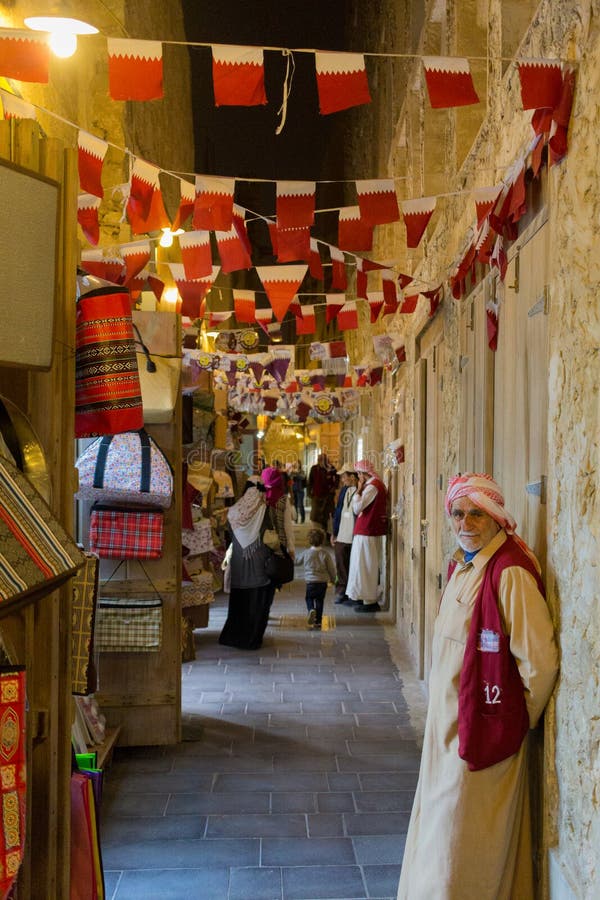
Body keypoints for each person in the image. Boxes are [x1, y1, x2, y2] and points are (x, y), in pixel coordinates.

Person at [397, 473, 559, 900]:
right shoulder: (462, 565)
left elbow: (539, 663)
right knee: (440, 828)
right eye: (457, 513)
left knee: (466, 840)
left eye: (476, 514)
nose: (465, 523)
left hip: (484, 733)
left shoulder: (509, 573)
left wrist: (508, 722)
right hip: (446, 731)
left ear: (497, 518)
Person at [218, 479, 275, 650]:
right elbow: (269, 531)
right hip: (258, 559)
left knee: (239, 600)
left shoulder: (234, 510)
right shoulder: (263, 509)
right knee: (256, 599)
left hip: (238, 560)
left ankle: (234, 634)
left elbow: (228, 529)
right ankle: (252, 637)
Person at [345, 459, 388, 612]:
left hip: (368, 531)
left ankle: (370, 600)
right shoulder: (372, 485)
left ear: (363, 474)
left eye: (358, 474)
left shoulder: (373, 487)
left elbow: (357, 508)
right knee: (360, 565)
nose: (357, 477)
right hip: (364, 531)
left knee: (366, 566)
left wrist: (357, 491)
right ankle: (361, 597)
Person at [295, 528, 336, 629]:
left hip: (310, 582)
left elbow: (297, 562)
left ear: (309, 540)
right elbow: (331, 568)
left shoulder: (306, 553)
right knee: (320, 600)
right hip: (322, 583)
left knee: (309, 598)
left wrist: (290, 556)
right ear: (322, 540)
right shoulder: (325, 554)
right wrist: (333, 579)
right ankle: (318, 621)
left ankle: (311, 610)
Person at [331, 469, 358, 604]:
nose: (342, 480)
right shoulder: (344, 491)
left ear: (352, 476)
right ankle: (342, 591)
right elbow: (339, 510)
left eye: (344, 477)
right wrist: (334, 532)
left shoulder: (360, 489)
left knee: (353, 564)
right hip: (342, 533)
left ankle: (351, 592)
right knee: (341, 562)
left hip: (355, 533)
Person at [261, 465, 295, 569]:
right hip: (279, 543)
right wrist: (291, 548)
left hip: (263, 542)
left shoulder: (259, 497)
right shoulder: (284, 500)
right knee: (277, 570)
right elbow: (287, 526)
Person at [307, 453, 338, 534]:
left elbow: (337, 478)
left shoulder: (331, 468)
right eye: (320, 460)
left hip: (328, 497)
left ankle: (327, 533)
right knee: (315, 516)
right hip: (316, 496)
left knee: (327, 515)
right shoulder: (314, 469)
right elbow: (310, 482)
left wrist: (334, 487)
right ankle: (317, 533)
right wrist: (309, 493)